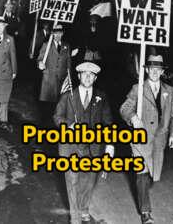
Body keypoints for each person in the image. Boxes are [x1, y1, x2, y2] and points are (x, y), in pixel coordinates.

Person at [120, 51, 173, 224]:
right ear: (146, 71)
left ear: (162, 72)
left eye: (158, 69)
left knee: (151, 174)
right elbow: (124, 108)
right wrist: (132, 117)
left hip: (159, 140)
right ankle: (145, 212)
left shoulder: (170, 91)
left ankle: (144, 203)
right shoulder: (137, 89)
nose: (155, 72)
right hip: (140, 139)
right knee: (142, 174)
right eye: (152, 68)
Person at [53, 62, 114, 224]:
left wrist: (110, 145)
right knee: (72, 181)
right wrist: (69, 125)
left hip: (93, 147)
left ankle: (84, 208)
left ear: (95, 78)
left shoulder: (101, 97)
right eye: (84, 74)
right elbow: (57, 117)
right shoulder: (68, 96)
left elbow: (108, 122)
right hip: (71, 146)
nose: (87, 77)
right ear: (78, 76)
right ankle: (75, 217)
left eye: (91, 75)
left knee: (89, 180)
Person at [37, 24, 72, 126]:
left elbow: (69, 62)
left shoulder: (66, 46)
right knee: (47, 106)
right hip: (49, 79)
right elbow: (40, 58)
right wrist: (40, 63)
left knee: (59, 104)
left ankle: (55, 125)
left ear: (62, 33)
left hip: (61, 79)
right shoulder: (46, 45)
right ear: (52, 33)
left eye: (60, 33)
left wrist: (69, 76)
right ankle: (44, 127)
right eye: (56, 33)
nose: (58, 35)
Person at [0, 16, 17, 132]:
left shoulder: (10, 39)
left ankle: (4, 120)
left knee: (4, 97)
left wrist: (14, 71)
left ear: (4, 27)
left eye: (2, 26)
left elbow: (13, 55)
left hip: (5, 72)